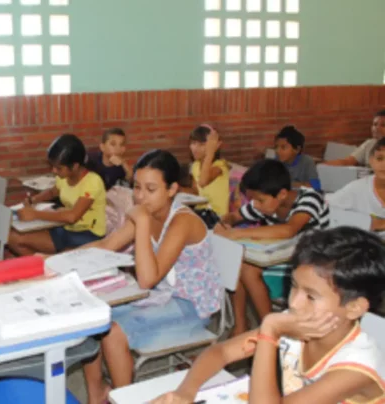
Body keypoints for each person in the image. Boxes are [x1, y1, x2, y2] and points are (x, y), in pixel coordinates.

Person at [151, 227, 385, 404]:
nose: (293, 302)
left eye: (311, 296)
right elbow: (220, 352)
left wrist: (269, 331)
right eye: (294, 286)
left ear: (354, 308)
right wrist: (186, 392)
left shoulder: (357, 366)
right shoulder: (297, 322)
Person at [80, 150, 224, 404]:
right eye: (136, 187)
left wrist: (142, 225)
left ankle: (125, 398)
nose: (140, 196)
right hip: (161, 297)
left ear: (171, 190)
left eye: (150, 189)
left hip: (191, 306)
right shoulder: (147, 213)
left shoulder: (182, 222)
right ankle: (98, 393)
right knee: (93, 317)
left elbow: (148, 279)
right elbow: (108, 244)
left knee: (113, 332)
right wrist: (54, 261)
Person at [215, 159, 329, 336]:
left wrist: (236, 234)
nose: (255, 205)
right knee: (236, 262)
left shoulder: (310, 198)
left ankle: (269, 330)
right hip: (280, 259)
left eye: (259, 200)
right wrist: (225, 224)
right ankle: (243, 325)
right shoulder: (265, 204)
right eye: (253, 200)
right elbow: (233, 217)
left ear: (282, 194)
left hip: (312, 265)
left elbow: (289, 230)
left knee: (247, 267)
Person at [8, 134, 107, 255]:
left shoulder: (92, 182)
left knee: (60, 254)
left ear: (75, 166)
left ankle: (52, 264)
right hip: (65, 229)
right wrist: (33, 200)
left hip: (87, 234)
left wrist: (35, 214)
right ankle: (46, 266)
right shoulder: (64, 177)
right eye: (53, 166)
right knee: (12, 238)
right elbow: (52, 192)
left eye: (58, 168)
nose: (54, 171)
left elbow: (72, 217)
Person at [327, 137, 385, 231]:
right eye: (380, 159)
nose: (384, 165)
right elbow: (327, 210)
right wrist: (369, 222)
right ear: (371, 161)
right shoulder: (357, 188)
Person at [188, 125, 230, 218]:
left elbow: (203, 182)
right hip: (201, 212)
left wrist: (210, 153)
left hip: (217, 216)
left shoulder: (220, 166)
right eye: (193, 143)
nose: (195, 148)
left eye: (202, 144)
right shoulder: (195, 165)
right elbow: (196, 192)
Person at [274, 125, 320, 190]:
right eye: (276, 147)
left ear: (297, 149)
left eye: (283, 147)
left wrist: (288, 184)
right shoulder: (276, 161)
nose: (278, 151)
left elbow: (316, 186)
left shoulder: (307, 162)